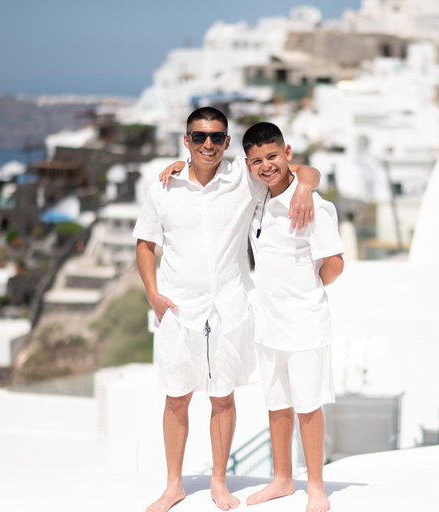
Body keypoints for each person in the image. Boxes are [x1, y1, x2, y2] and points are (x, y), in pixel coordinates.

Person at [134, 107, 320, 512]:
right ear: (186, 140)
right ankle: (173, 486)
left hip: (229, 306)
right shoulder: (162, 188)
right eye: (199, 137)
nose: (208, 144)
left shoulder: (242, 177)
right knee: (176, 398)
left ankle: (219, 482)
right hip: (177, 309)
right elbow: (145, 243)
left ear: (227, 142)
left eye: (217, 137)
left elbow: (301, 170)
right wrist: (153, 294)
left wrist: (304, 188)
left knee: (222, 397)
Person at [242, 122, 344, 512]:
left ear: (287, 153)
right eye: (257, 161)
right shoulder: (258, 198)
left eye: (273, 156)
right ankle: (282, 479)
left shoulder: (312, 204)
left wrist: (307, 288)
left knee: (308, 406)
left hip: (304, 321)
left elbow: (334, 264)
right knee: (277, 405)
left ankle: (315, 485)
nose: (266, 166)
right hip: (267, 322)